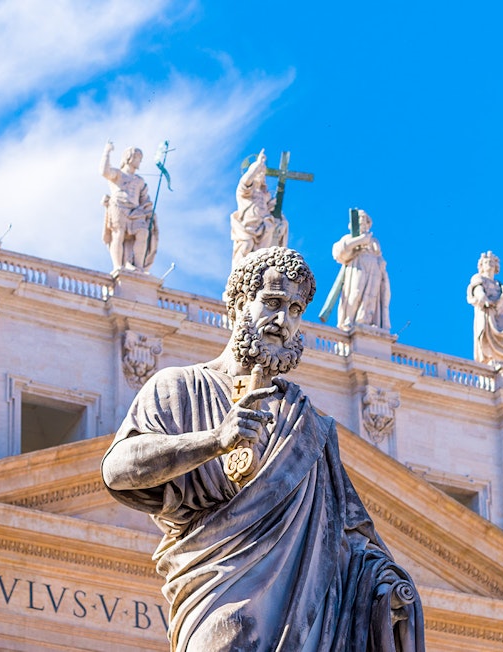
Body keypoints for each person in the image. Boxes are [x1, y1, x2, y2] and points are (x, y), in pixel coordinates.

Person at [101, 247, 423, 651]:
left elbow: (349, 536)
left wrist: (385, 587)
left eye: (294, 309)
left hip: (304, 618)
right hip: (215, 595)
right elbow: (117, 470)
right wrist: (215, 441)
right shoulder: (179, 387)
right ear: (237, 307)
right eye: (271, 303)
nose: (282, 321)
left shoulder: (309, 425)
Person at [101, 142, 157, 273]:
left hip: (135, 211)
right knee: (118, 235)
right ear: (129, 158)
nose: (140, 162)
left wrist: (148, 212)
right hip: (118, 207)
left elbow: (145, 200)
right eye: (138, 158)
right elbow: (104, 171)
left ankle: (138, 267)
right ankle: (117, 266)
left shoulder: (140, 181)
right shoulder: (118, 174)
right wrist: (107, 152)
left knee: (143, 232)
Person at [332, 210, 391, 331]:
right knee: (355, 293)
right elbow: (339, 252)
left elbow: (379, 256)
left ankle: (366, 322)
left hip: (374, 269)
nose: (363, 224)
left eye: (365, 222)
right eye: (360, 222)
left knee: (372, 296)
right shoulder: (349, 238)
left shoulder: (374, 241)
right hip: (357, 267)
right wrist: (360, 240)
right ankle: (349, 322)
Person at [230, 149, 288, 266]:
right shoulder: (244, 192)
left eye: (262, 173)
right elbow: (245, 181)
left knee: (264, 258)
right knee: (245, 251)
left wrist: (280, 222)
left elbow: (275, 214)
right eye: (258, 173)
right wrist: (258, 165)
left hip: (265, 229)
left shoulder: (266, 197)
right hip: (248, 230)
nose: (261, 175)